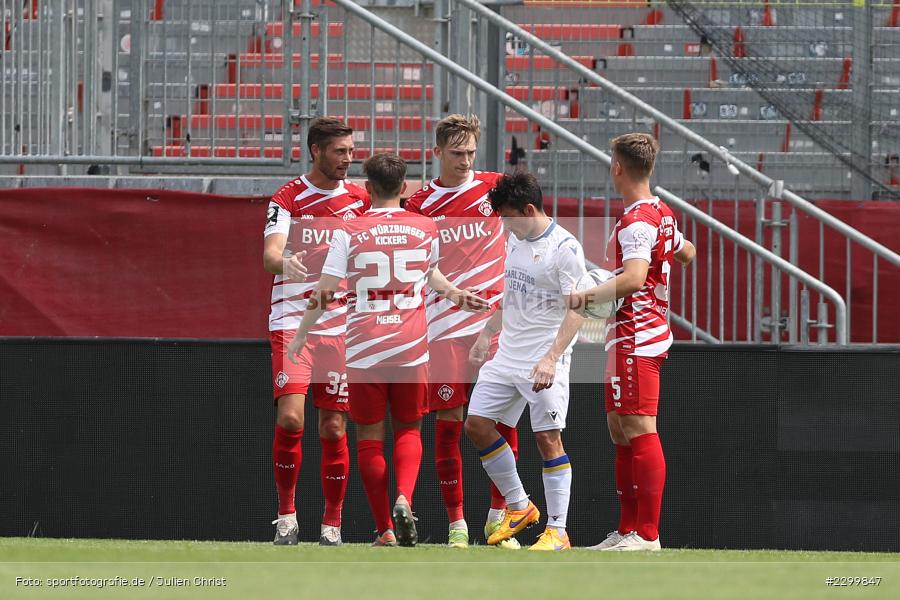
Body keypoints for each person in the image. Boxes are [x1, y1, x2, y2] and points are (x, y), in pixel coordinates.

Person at [288, 153, 488, 547]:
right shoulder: (425, 227)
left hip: (364, 349)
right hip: (413, 348)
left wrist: (299, 336)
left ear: (367, 189)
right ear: (404, 189)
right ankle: (404, 498)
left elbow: (325, 290)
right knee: (410, 430)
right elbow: (430, 275)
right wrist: (459, 295)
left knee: (368, 437)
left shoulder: (350, 229)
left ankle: (385, 530)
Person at [572, 133, 695, 552]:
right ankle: (627, 530)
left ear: (618, 167)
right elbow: (688, 252)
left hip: (637, 335)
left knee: (640, 427)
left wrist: (585, 296)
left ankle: (648, 534)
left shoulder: (637, 221)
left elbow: (635, 278)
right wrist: (671, 253)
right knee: (620, 429)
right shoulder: (660, 213)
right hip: (628, 334)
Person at [404, 114, 517, 548]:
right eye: (457, 153)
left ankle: (499, 517)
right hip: (445, 328)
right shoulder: (421, 204)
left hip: (495, 327)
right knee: (449, 426)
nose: (466, 160)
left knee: (501, 424)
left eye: (471, 151)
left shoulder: (495, 187)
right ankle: (456, 524)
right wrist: (451, 293)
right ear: (437, 153)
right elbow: (419, 265)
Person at [464, 172, 587, 552]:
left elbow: (579, 309)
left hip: (543, 359)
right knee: (477, 425)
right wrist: (487, 334)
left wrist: (552, 357)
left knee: (548, 439)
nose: (503, 223)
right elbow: (513, 293)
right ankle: (519, 506)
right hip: (507, 356)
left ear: (529, 209)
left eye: (507, 216)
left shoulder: (564, 249)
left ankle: (558, 532)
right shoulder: (514, 242)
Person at [262, 117, 369, 546]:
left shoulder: (361, 200)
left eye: (351, 150)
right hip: (292, 322)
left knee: (334, 429)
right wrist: (285, 262)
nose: (348, 158)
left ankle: (332, 524)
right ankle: (286, 516)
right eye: (340, 151)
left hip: (342, 326)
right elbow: (270, 254)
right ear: (316, 151)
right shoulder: (288, 197)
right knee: (290, 418)